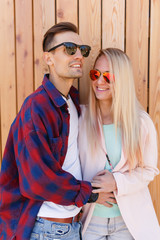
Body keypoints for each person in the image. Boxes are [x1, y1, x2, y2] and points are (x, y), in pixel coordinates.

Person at [0, 22, 99, 240]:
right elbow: (37, 179)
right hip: (48, 230)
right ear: (49, 58)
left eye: (82, 51)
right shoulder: (36, 107)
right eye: (69, 49)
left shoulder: (72, 100)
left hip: (72, 226)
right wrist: (88, 193)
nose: (79, 56)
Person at [78, 48, 160, 240]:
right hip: (92, 222)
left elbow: (149, 170)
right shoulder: (80, 119)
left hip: (128, 223)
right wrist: (90, 193)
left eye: (108, 76)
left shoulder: (141, 123)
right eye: (95, 74)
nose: (99, 82)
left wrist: (116, 183)